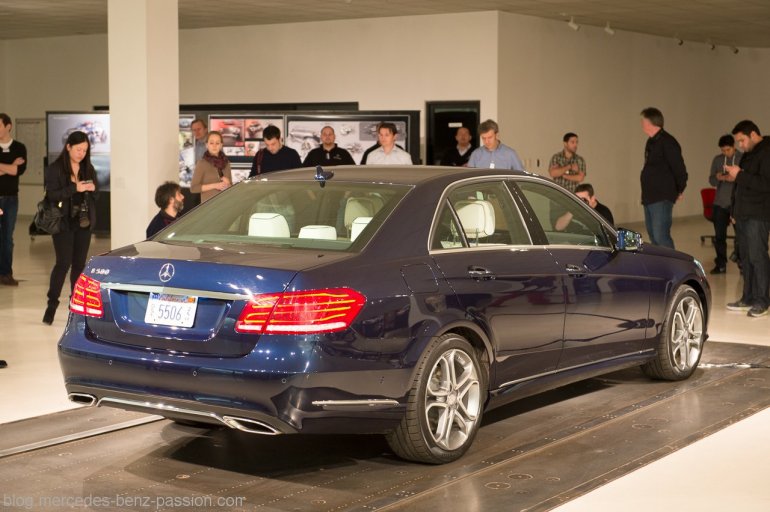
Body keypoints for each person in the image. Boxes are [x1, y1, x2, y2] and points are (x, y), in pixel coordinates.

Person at [43, 131, 97, 325]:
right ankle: (51, 305)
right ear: (68, 147)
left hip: (83, 222)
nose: (81, 153)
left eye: (84, 150)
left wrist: (92, 189)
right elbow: (52, 195)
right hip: (63, 222)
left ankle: (75, 305)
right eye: (78, 149)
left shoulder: (87, 168)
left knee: (79, 265)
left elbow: (95, 195)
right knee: (63, 263)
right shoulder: (55, 169)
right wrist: (76, 188)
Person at [724, 120, 770, 318]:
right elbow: (739, 186)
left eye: (742, 141)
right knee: (747, 258)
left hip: (758, 214)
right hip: (743, 214)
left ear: (753, 134)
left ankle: (763, 301)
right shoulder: (748, 155)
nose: (740, 146)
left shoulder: (767, 152)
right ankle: (748, 297)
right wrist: (733, 211)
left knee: (758, 257)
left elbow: (766, 183)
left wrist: (740, 175)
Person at [639, 107, 688, 249]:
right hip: (649, 196)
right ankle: (659, 268)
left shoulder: (668, 142)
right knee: (653, 235)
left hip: (661, 196)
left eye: (643, 121)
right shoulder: (651, 142)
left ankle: (671, 268)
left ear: (651, 122)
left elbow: (680, 169)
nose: (641, 123)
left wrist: (679, 189)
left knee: (661, 236)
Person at [708, 134, 742, 274]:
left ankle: (742, 263)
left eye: (727, 150)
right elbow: (711, 180)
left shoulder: (742, 158)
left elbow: (746, 179)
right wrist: (719, 177)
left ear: (733, 147)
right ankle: (721, 264)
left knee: (741, 236)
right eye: (723, 150)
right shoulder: (718, 160)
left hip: (738, 203)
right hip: (720, 202)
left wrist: (733, 178)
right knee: (719, 236)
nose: (725, 153)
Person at [0, 113, 27, 286]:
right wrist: (10, 166)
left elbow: (18, 171)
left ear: (8, 126)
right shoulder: (13, 155)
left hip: (11, 199)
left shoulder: (19, 147)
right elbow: (13, 169)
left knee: (7, 238)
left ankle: (6, 273)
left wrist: (11, 168)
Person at [190, 131, 232, 203]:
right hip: (209, 208)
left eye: (217, 143)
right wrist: (215, 185)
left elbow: (231, 189)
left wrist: (228, 184)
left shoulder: (227, 163)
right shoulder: (202, 164)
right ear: (207, 145)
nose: (214, 146)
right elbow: (194, 188)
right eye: (211, 143)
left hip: (225, 205)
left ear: (221, 145)